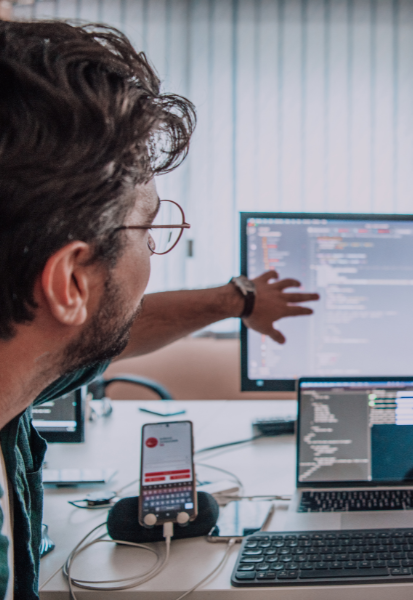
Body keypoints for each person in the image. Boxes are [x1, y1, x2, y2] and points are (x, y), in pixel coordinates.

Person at [0, 21, 318, 599]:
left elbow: (98, 329)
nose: (155, 249)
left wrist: (237, 300)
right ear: (70, 281)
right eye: (149, 228)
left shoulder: (19, 367)